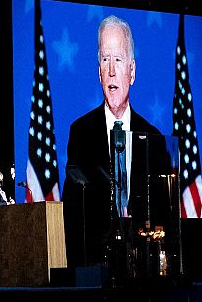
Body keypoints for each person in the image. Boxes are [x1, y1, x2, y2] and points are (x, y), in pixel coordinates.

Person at [62, 15, 171, 274]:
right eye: (105, 59)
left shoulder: (153, 138)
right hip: (96, 269)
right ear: (98, 70)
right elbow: (74, 212)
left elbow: (164, 211)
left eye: (118, 60)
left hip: (145, 270)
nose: (111, 70)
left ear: (132, 71)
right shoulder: (81, 132)